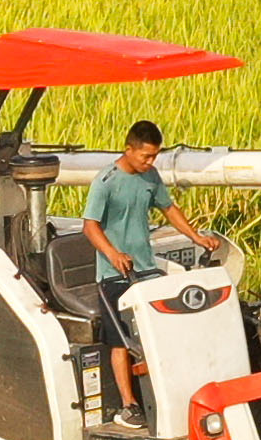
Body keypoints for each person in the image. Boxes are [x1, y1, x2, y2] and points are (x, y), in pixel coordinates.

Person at [78, 120, 207, 410]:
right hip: (114, 274)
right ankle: (129, 404)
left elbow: (169, 208)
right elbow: (90, 226)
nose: (151, 162)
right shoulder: (105, 181)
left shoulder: (151, 177)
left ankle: (167, 395)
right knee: (120, 341)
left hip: (146, 270)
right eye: (145, 156)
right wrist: (113, 254)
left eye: (155, 156)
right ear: (129, 150)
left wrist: (196, 237)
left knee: (157, 332)